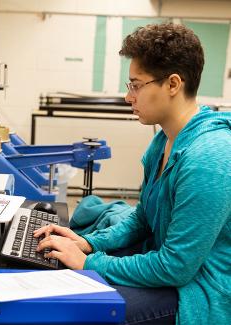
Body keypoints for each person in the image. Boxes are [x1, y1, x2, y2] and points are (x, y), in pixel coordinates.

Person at [34, 22, 231, 325]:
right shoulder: (165, 140)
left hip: (199, 289)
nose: (129, 97)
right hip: (174, 270)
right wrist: (90, 242)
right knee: (66, 285)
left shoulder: (208, 159)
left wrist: (88, 262)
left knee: (85, 311)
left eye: (136, 85)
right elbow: (143, 217)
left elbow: (176, 266)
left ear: (173, 84)